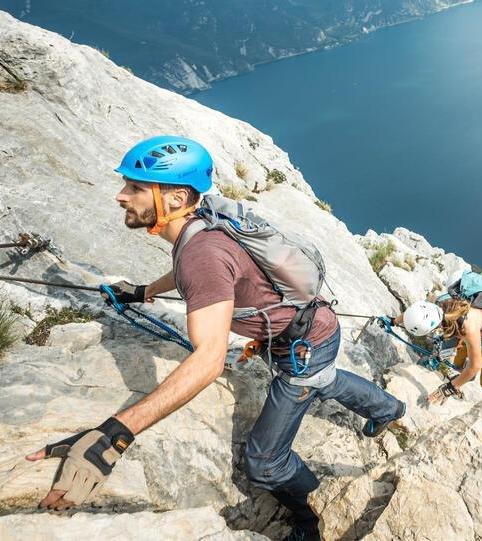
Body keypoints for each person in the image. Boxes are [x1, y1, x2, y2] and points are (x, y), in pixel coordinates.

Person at [26, 135, 405, 541]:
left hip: (301, 348)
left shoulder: (200, 253)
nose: (121, 196)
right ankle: (390, 408)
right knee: (322, 380)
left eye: (135, 187)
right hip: (304, 333)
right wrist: (144, 292)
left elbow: (208, 359)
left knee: (264, 462)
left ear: (174, 199)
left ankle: (313, 523)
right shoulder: (199, 223)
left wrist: (114, 434)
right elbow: (198, 276)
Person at [393, 270, 482, 402]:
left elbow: (475, 366)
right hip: (466, 328)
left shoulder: (467, 326)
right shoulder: (437, 303)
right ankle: (441, 360)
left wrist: (450, 388)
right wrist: (394, 321)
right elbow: (415, 313)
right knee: (448, 341)